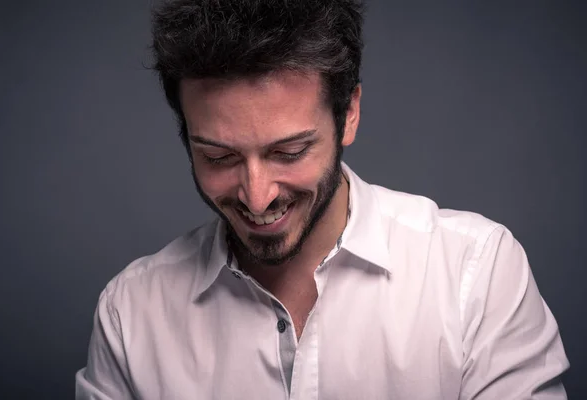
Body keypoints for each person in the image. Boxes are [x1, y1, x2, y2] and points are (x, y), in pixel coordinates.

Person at [75, 0, 570, 398]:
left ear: (349, 113)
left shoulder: (475, 273)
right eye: (219, 157)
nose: (257, 195)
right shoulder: (130, 314)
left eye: (289, 151)